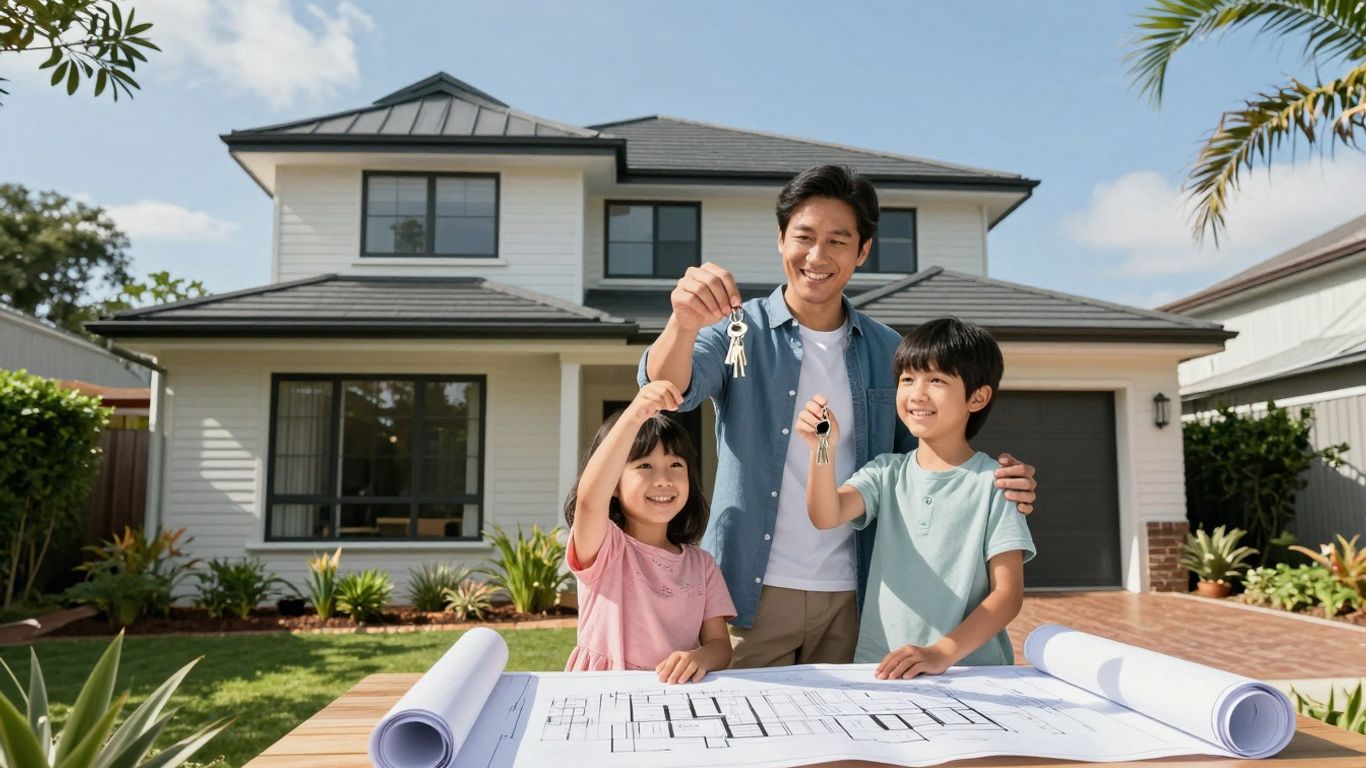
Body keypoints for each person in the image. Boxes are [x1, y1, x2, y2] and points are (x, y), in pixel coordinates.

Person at [641, 164, 1038, 667]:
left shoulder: (889, 349)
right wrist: (682, 322)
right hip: (751, 592)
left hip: (860, 596)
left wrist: (997, 480)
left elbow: (927, 449)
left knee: (848, 739)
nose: (817, 256)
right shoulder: (741, 332)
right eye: (803, 237)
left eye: (837, 241)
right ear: (780, 239)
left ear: (863, 250)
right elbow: (666, 389)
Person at [799, 317, 1035, 678]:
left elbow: (1008, 596)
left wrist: (941, 653)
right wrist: (822, 450)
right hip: (883, 665)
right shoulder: (886, 472)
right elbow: (825, 514)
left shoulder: (995, 483)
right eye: (908, 379)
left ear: (977, 397)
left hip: (971, 672)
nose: (917, 393)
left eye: (937, 380)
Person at [563, 380, 736, 683]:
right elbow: (589, 501)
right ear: (614, 485)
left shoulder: (703, 565)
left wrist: (697, 658)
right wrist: (634, 415)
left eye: (675, 465)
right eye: (644, 466)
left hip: (672, 698)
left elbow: (720, 647)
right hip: (602, 695)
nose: (663, 479)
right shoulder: (606, 548)